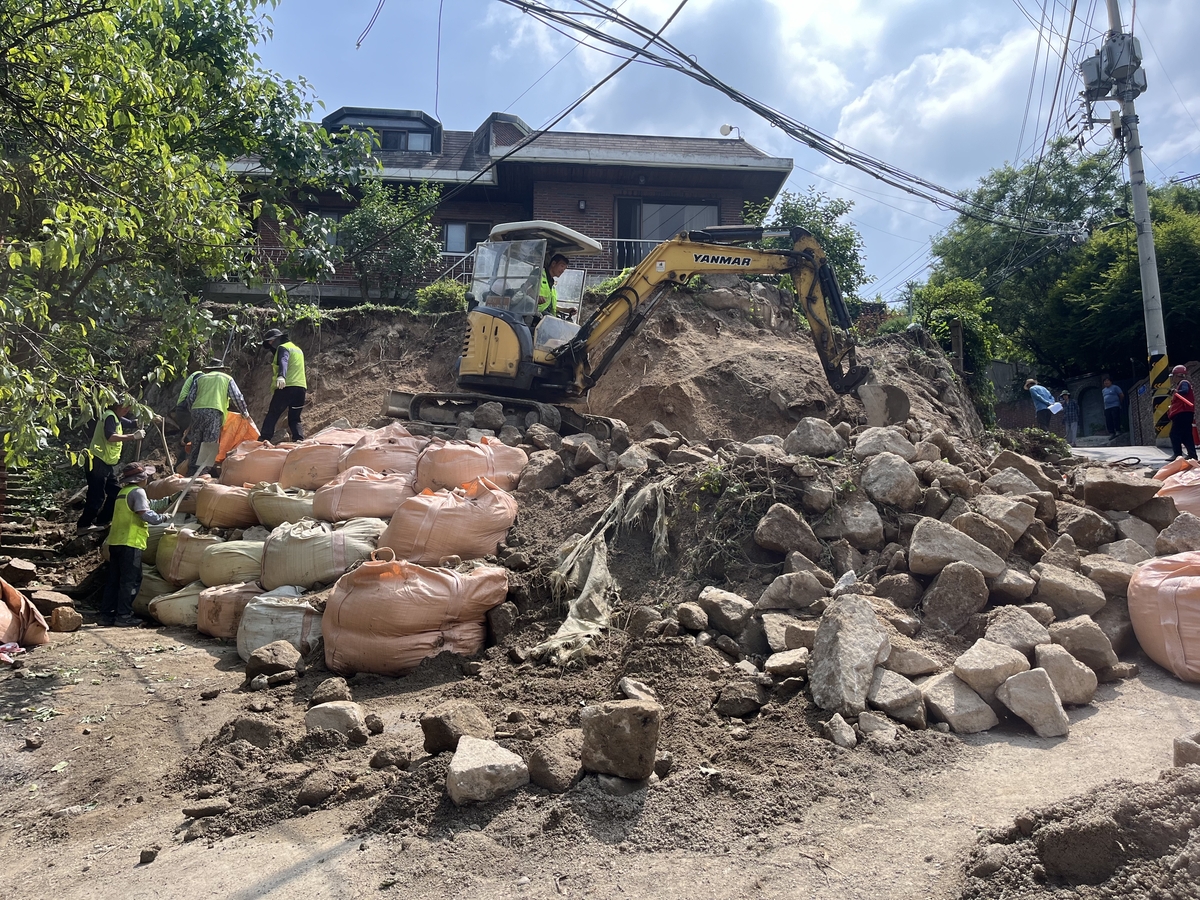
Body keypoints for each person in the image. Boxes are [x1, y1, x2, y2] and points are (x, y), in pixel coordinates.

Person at [100, 462, 168, 627]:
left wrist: (169, 500)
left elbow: (147, 506)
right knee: (131, 580)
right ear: (141, 479)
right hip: (130, 543)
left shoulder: (123, 492)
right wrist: (162, 519)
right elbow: (145, 513)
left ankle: (107, 615)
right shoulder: (138, 492)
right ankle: (124, 615)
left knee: (114, 579)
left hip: (116, 541)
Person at [77, 399, 145, 531]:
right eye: (124, 407)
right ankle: (84, 525)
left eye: (129, 407)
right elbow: (110, 436)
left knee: (115, 492)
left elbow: (131, 423)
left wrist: (147, 419)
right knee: (96, 495)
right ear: (116, 406)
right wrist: (132, 437)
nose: (127, 410)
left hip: (106, 463)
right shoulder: (109, 416)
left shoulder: (116, 417)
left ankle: (102, 521)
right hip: (97, 460)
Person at [182, 359, 250, 475]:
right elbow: (237, 397)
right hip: (214, 411)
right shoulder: (226, 378)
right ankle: (202, 473)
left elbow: (190, 397)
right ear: (222, 369)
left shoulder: (200, 378)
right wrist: (244, 412)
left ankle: (191, 471)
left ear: (209, 370)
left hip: (196, 411)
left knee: (196, 441)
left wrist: (194, 411)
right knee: (210, 442)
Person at [259, 328, 307, 442]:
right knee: (295, 418)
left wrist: (282, 376)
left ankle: (264, 438)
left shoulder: (283, 347)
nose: (271, 345)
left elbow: (283, 361)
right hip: (301, 388)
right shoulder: (298, 349)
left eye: (271, 341)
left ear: (277, 339)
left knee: (273, 413)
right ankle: (299, 438)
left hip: (286, 387)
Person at [1167, 364, 1197, 461]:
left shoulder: (1184, 383)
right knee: (1186, 435)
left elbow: (1184, 391)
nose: (1173, 379)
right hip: (1187, 413)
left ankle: (1178, 455)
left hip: (1182, 413)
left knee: (1174, 434)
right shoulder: (1183, 384)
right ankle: (1192, 455)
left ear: (1177, 375)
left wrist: (1175, 392)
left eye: (1173, 376)